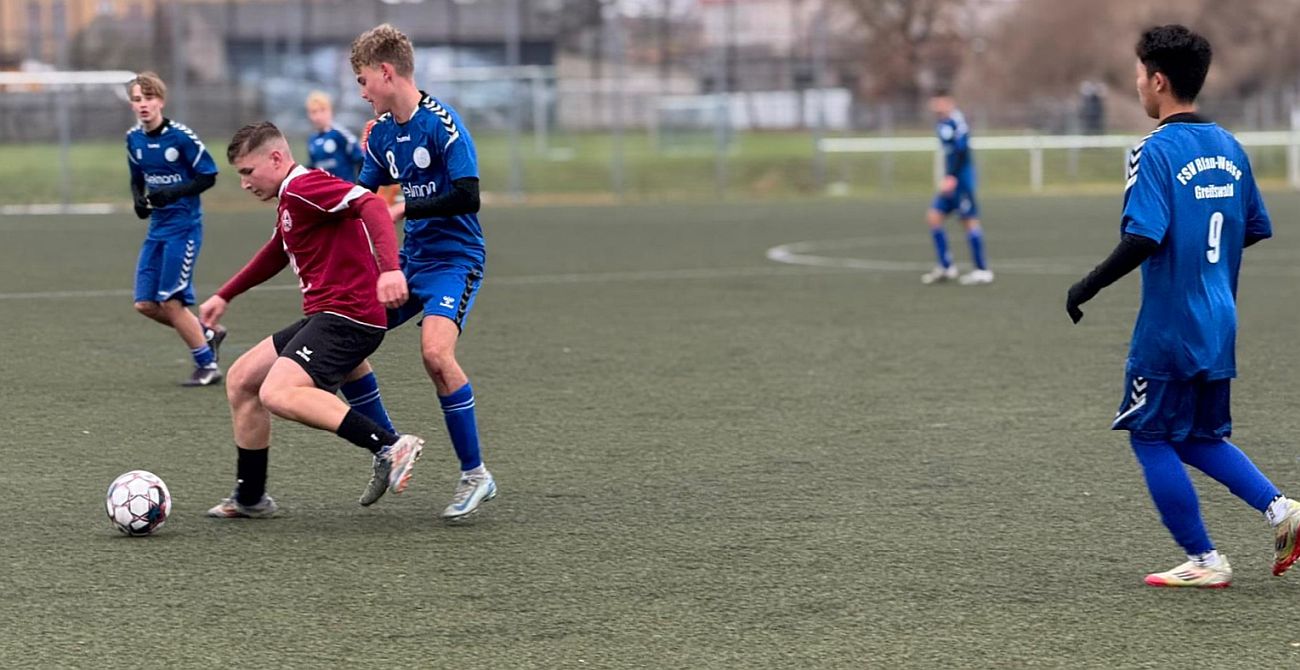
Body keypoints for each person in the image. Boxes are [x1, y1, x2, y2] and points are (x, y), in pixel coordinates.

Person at [1066, 24, 1300, 588]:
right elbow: (1253, 227)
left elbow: (1143, 236)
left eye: (1139, 76)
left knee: (1149, 435)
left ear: (1159, 80)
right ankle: (1283, 511)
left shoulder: (1153, 150)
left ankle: (1204, 560)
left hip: (1170, 326)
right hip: (1220, 319)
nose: (1137, 85)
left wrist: (1088, 285)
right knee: (1197, 437)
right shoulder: (1230, 146)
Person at [199, 121, 424, 518]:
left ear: (276, 158)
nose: (245, 184)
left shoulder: (305, 187)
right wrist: (225, 294)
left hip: (349, 315)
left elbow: (370, 204)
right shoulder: (291, 196)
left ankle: (389, 446)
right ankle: (251, 498)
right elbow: (276, 251)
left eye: (247, 172)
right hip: (329, 315)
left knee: (276, 393)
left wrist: (390, 269)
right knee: (242, 379)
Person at [350, 24, 496, 521]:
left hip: (456, 261)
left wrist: (405, 207)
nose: (362, 90)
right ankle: (388, 448)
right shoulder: (383, 133)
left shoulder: (443, 124)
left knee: (435, 354)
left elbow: (467, 194)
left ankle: (475, 474)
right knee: (348, 340)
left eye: (364, 79)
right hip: (409, 265)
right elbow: (363, 199)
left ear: (386, 72)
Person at [124, 71, 225, 386]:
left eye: (149, 98)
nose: (143, 105)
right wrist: (138, 200)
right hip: (157, 229)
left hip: (184, 228)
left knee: (171, 301)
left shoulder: (180, 137)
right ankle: (207, 333)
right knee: (145, 304)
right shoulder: (134, 139)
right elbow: (137, 178)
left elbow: (208, 175)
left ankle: (207, 365)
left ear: (161, 101)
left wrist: (174, 192)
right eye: (137, 99)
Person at [920, 89, 993, 286]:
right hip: (951, 180)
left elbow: (962, 151)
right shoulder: (942, 123)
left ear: (949, 102)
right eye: (934, 101)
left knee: (969, 221)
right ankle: (946, 266)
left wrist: (951, 177)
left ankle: (982, 270)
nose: (936, 105)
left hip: (961, 182)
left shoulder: (957, 122)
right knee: (934, 217)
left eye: (940, 101)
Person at [305, 91, 364, 181]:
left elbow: (360, 158)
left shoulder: (340, 134)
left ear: (330, 111)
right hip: (325, 192)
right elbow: (313, 168)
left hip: (346, 191)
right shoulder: (312, 140)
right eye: (314, 112)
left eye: (322, 110)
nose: (318, 116)